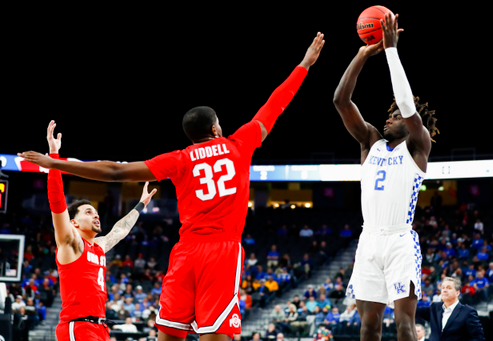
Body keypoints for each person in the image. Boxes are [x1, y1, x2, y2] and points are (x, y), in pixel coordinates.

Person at [20, 34, 325, 341]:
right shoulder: (239, 143)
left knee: (168, 335)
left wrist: (55, 163)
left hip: (185, 252)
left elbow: (115, 171)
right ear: (216, 128)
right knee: (215, 334)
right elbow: (275, 105)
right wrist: (304, 64)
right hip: (221, 250)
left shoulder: (179, 159)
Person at [333, 12, 439, 341]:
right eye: (389, 115)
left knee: (404, 325)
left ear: (410, 123)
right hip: (368, 241)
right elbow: (341, 100)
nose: (389, 118)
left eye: (395, 116)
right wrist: (362, 55)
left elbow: (407, 105)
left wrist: (392, 50)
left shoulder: (418, 147)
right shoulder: (370, 142)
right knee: (368, 325)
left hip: (399, 241)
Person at [29, 121, 156, 341]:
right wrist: (53, 157)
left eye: (96, 212)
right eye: (88, 212)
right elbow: (57, 202)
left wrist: (141, 204)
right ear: (74, 223)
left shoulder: (98, 246)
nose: (95, 215)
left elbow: (120, 230)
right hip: (77, 326)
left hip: (100, 327)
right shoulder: (70, 242)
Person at [415, 277, 484, 341]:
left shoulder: (468, 312)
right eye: (443, 288)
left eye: (449, 288)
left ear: (457, 293)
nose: (444, 290)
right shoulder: (434, 308)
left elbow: (478, 338)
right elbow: (414, 311)